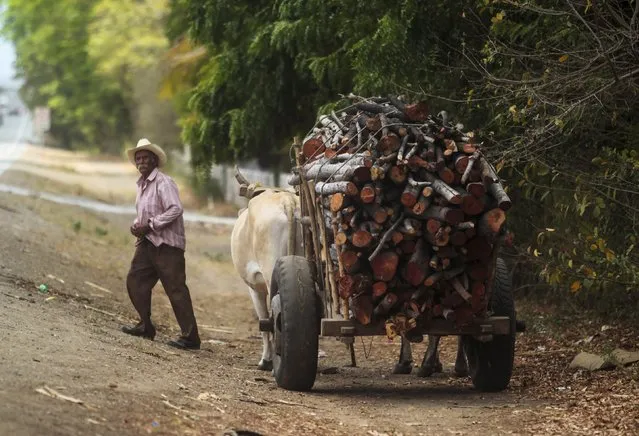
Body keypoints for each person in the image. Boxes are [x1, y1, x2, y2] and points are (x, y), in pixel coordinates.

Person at [120, 138, 201, 350]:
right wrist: (137, 226)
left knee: (176, 289)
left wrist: (151, 225)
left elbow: (175, 209)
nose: (142, 161)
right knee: (135, 280)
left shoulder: (164, 182)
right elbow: (144, 214)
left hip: (167, 245)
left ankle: (191, 338)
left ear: (155, 161)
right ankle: (145, 326)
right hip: (147, 243)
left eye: (146, 158)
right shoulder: (142, 184)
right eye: (139, 158)